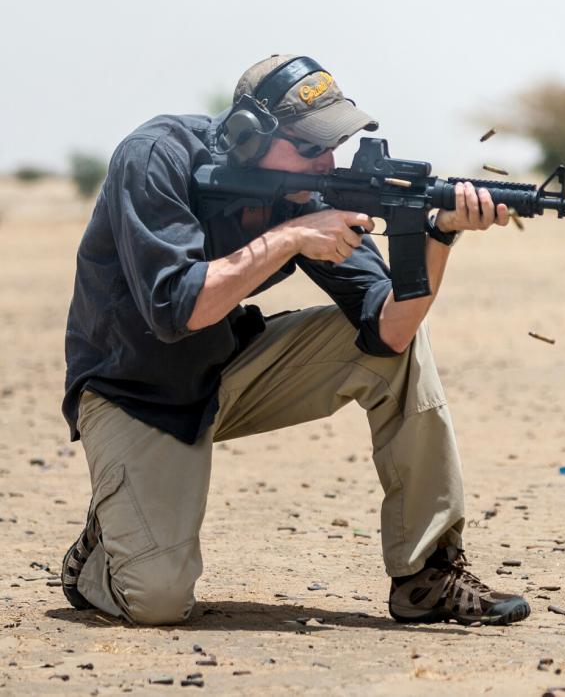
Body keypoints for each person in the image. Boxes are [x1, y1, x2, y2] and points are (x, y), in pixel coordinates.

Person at [59, 54, 531, 627]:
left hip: (229, 369)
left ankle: (427, 575)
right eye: (309, 147)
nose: (326, 161)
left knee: (400, 356)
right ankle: (100, 548)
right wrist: (289, 239)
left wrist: (437, 235)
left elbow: (390, 331)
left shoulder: (316, 194)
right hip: (131, 393)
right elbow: (177, 309)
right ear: (245, 135)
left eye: (332, 144)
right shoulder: (157, 156)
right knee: (157, 602)